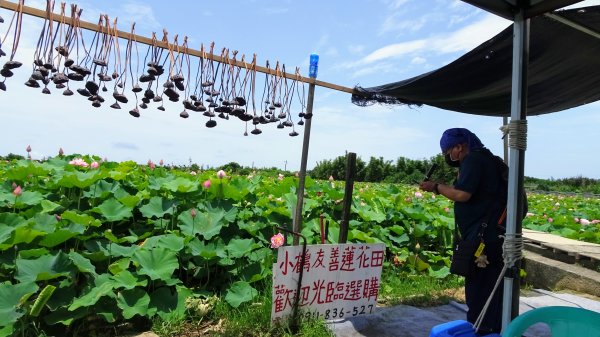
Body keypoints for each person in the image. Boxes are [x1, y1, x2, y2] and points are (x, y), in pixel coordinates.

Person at [420, 128, 506, 335]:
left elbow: (462, 194)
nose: (449, 157)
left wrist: (435, 187)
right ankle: (495, 328)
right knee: (493, 287)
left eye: (449, 152)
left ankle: (481, 329)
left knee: (478, 288)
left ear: (460, 146)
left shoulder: (474, 160)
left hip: (483, 238)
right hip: (493, 233)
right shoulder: (488, 159)